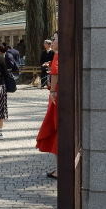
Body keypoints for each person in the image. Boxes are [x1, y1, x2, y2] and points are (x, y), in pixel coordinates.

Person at [36, 33, 59, 178]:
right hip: (61, 94)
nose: (52, 41)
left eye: (55, 38)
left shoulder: (58, 55)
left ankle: (60, 168)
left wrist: (53, 91)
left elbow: (55, 73)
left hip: (57, 95)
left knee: (56, 127)